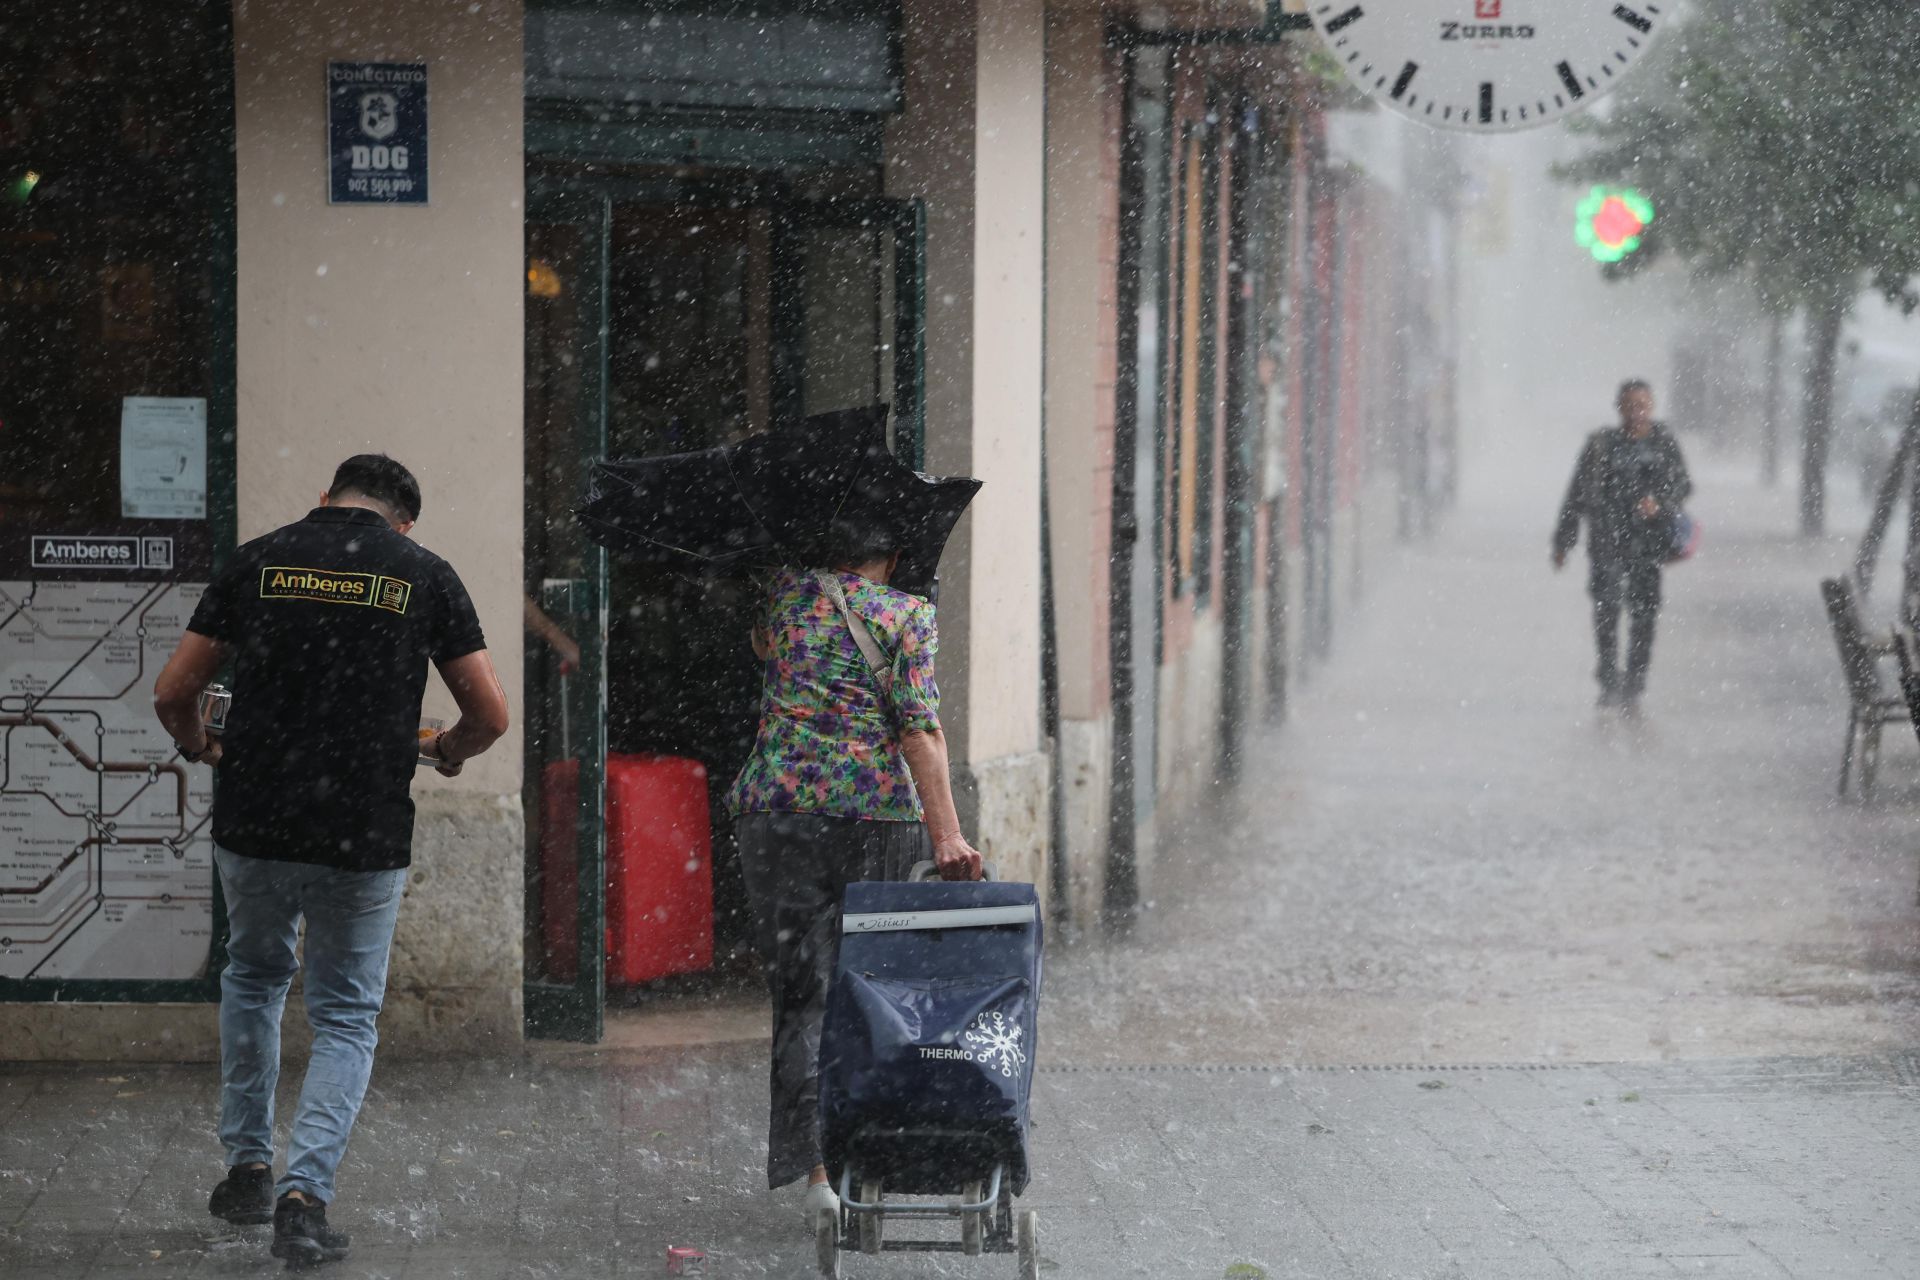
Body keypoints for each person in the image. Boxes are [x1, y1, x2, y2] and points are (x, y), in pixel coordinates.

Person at [153, 455, 509, 1266]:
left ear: (326, 499)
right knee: (345, 1015)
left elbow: (174, 693)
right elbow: (489, 713)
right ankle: (303, 1200)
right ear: (402, 521)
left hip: (258, 820)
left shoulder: (257, 560)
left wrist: (202, 742)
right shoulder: (424, 573)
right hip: (363, 828)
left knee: (254, 977)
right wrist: (448, 749)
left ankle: (246, 1167)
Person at [727, 519, 984, 1228]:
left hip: (777, 812)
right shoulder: (907, 615)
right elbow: (920, 731)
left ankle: (816, 1171)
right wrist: (949, 835)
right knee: (868, 985)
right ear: (892, 556)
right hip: (873, 816)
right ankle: (866, 1149)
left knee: (801, 988)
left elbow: (763, 649)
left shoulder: (784, 599)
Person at [1552, 380, 1693, 712]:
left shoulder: (1664, 443)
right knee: (1607, 610)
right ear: (1619, 407)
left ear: (1652, 406)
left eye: (1643, 404)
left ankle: (1635, 681)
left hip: (1648, 544)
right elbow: (1576, 496)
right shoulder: (1601, 446)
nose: (1637, 411)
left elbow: (1682, 484)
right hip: (1607, 543)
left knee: (1644, 614)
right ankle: (1608, 680)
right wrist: (1564, 541)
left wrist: (1660, 503)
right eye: (1630, 404)